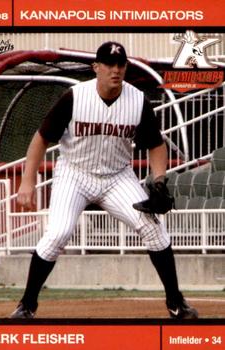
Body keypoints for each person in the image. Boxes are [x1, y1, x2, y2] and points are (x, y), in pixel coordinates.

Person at [11, 41, 198, 319]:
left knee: (152, 227)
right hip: (74, 173)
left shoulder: (137, 100)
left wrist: (159, 181)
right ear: (96, 67)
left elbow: (156, 145)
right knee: (58, 233)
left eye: (121, 64)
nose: (116, 70)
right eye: (109, 64)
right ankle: (27, 305)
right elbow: (41, 138)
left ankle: (176, 303)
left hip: (117, 177)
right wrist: (27, 181)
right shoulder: (75, 97)